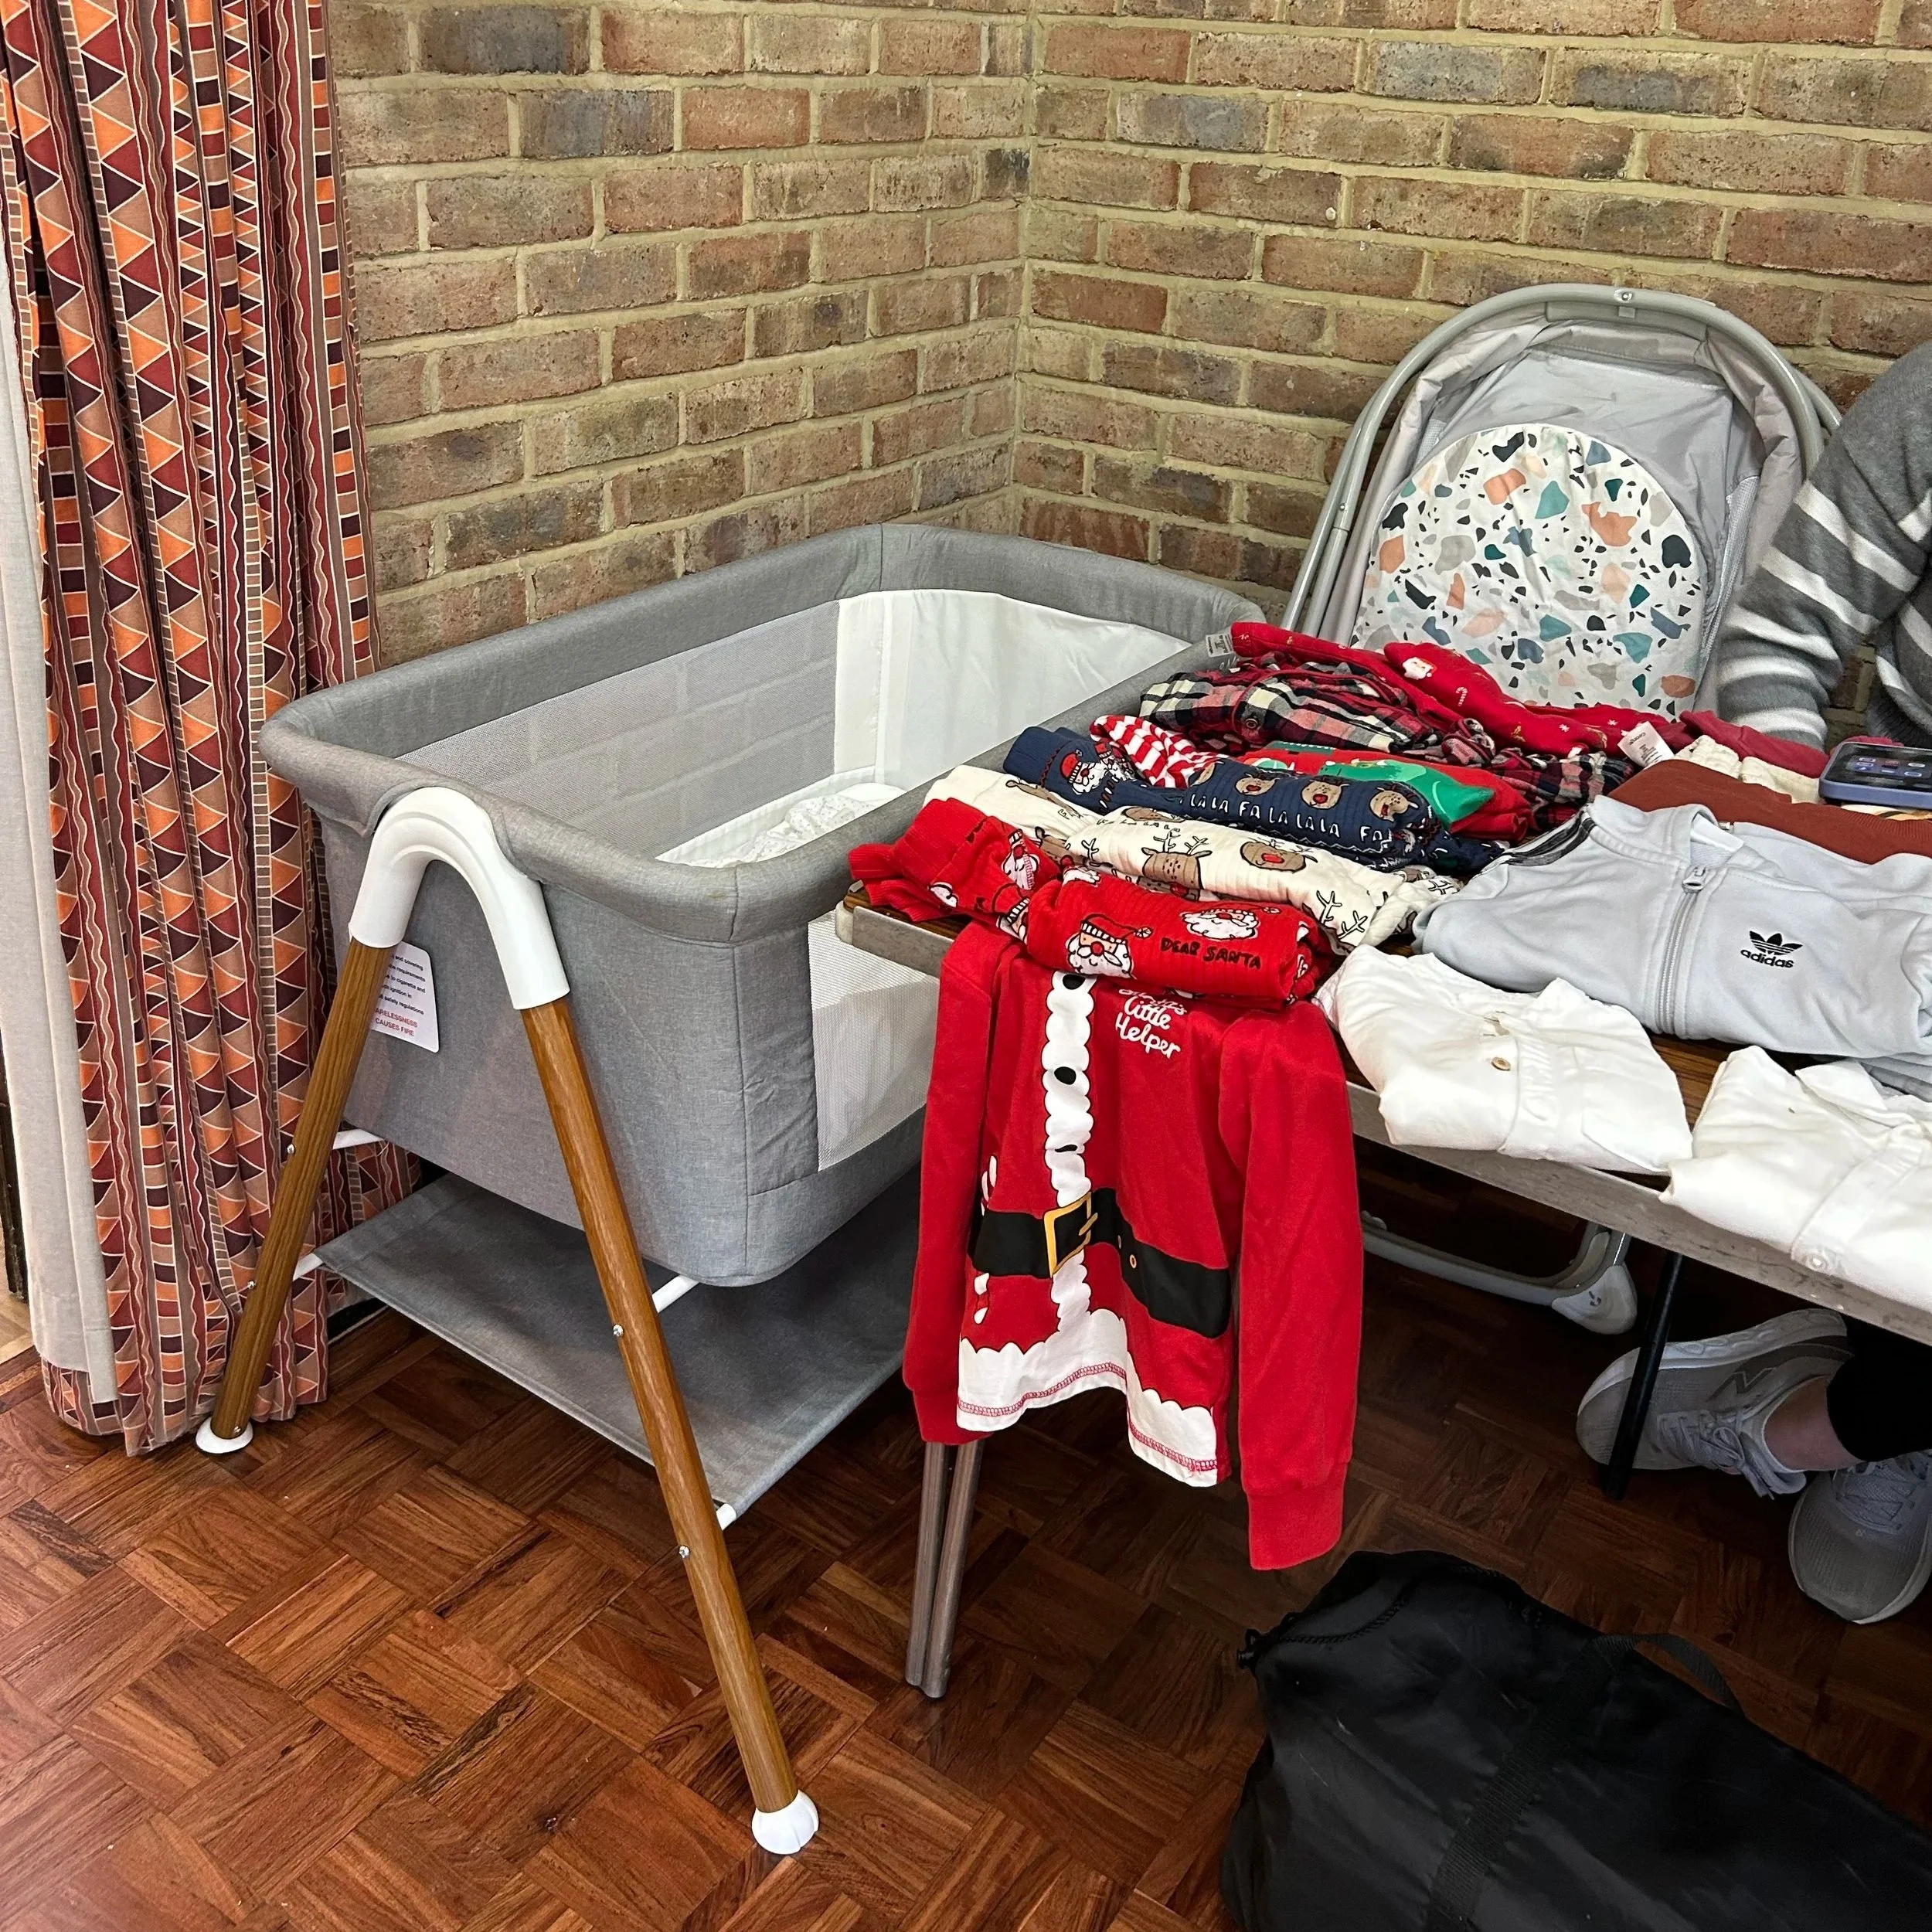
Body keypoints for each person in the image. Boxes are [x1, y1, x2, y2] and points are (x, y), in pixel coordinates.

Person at [1576, 347, 1932, 1626]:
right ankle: (1875, 1410)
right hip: (1903, 876)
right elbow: (1779, 641)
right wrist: (1809, 860)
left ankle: (1822, 1423)